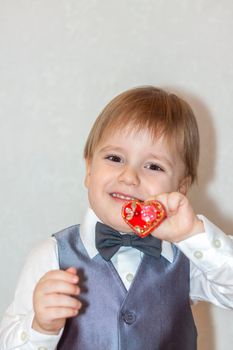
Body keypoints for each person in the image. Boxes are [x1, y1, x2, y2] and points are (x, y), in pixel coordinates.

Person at [0, 86, 233, 350]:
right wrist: (41, 327)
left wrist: (193, 234)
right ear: (89, 170)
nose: (129, 177)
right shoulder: (51, 255)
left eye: (153, 166)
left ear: (180, 188)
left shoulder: (188, 258)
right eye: (115, 158)